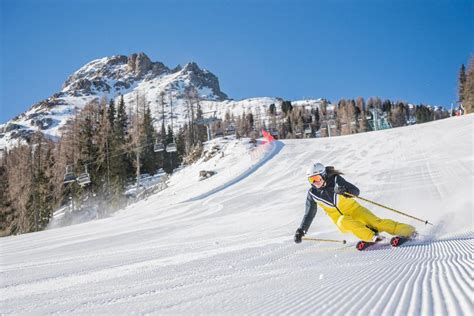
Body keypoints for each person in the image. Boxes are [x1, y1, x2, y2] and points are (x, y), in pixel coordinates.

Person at [294, 162, 416, 244]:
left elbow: (356, 191)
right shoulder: (312, 194)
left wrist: (345, 191)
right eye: (311, 180)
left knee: (377, 223)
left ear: (324, 175)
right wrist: (301, 230)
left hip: (356, 210)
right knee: (343, 220)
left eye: (317, 178)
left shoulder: (336, 180)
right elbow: (309, 214)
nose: (315, 182)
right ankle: (372, 237)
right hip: (342, 221)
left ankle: (409, 231)